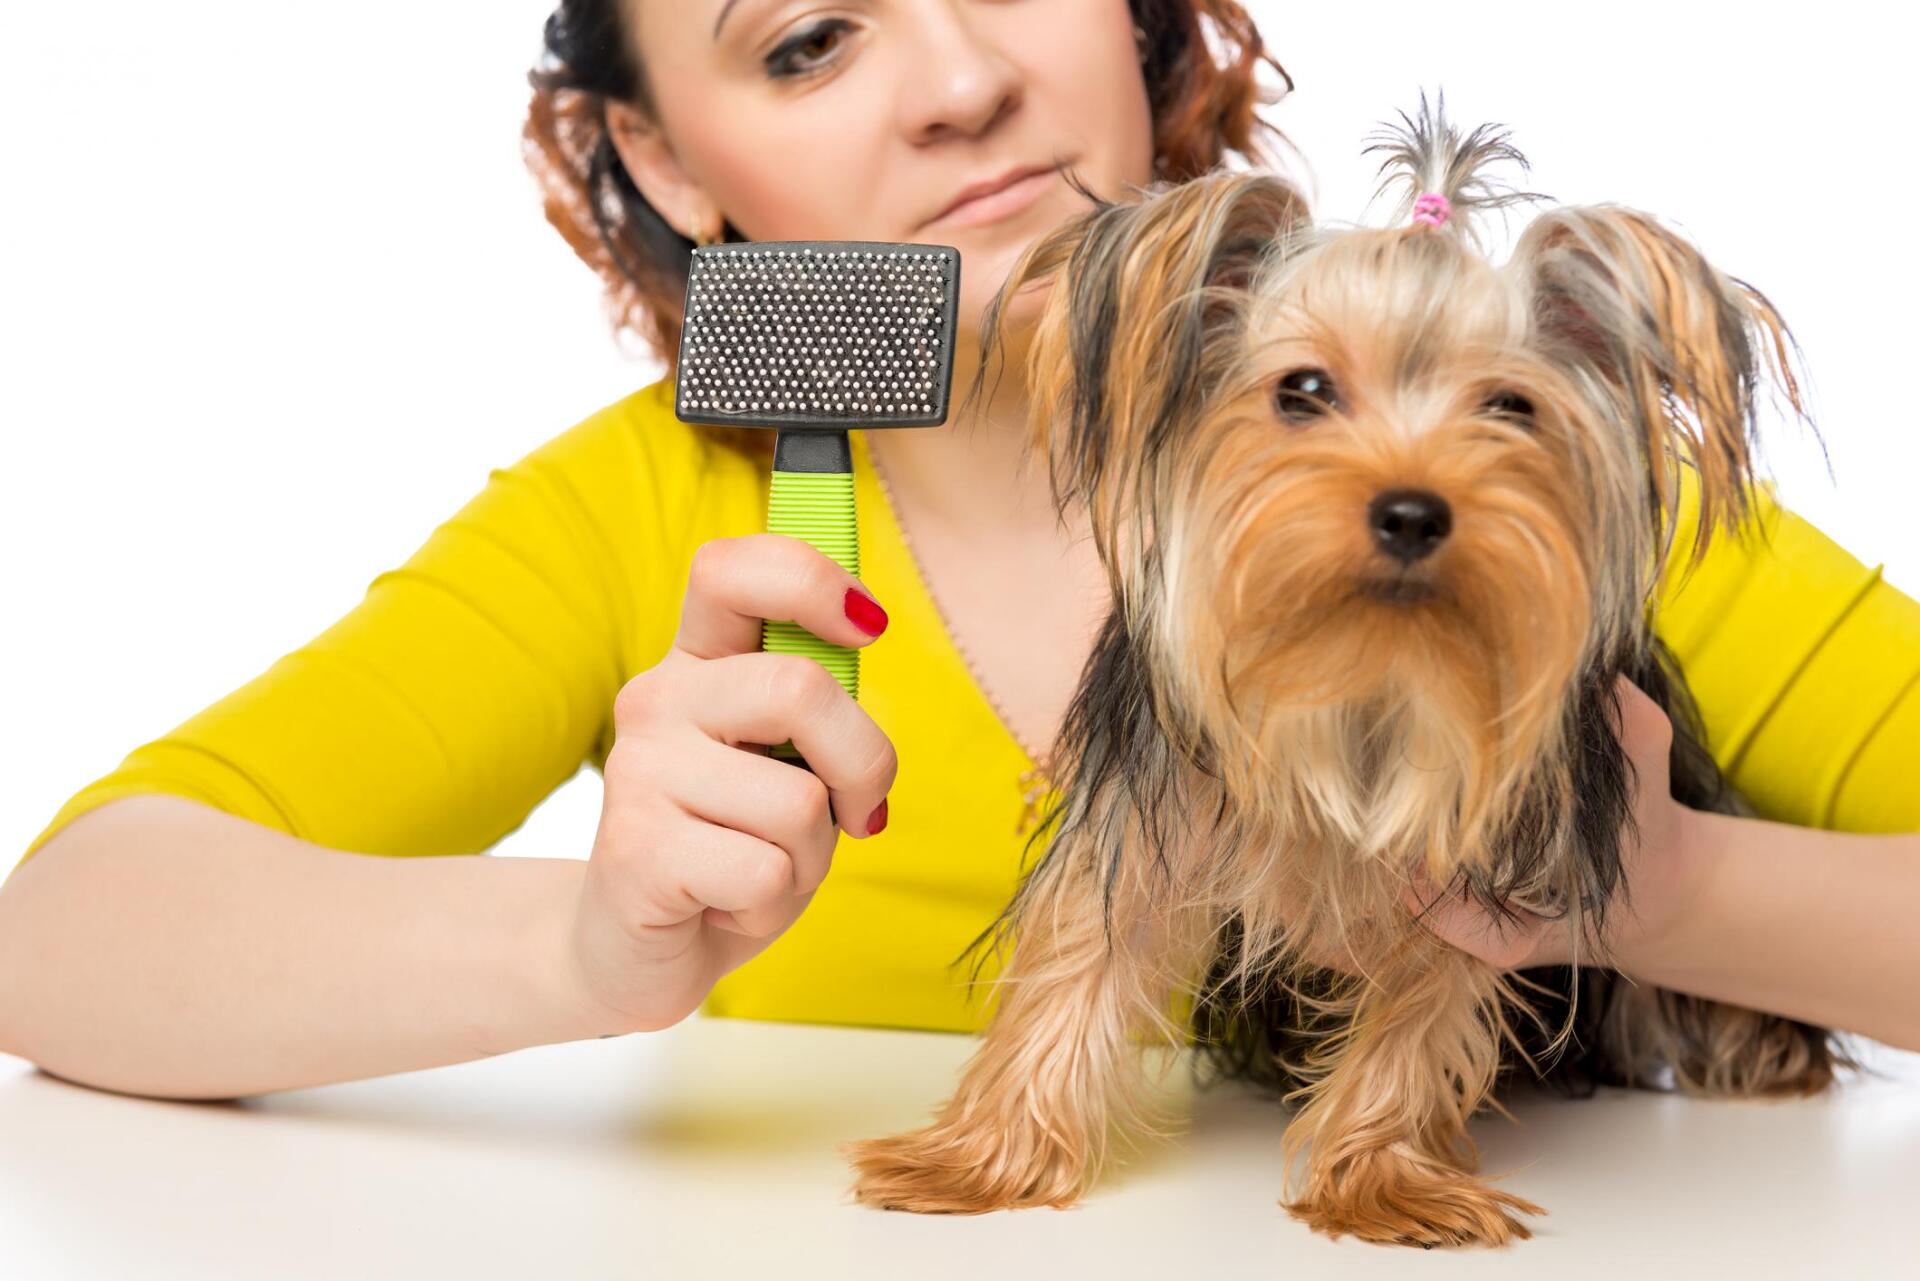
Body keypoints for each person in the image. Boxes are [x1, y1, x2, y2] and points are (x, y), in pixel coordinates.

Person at [1, 0, 1915, 1103]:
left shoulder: (1530, 484)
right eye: (812, 38)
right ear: (671, 167)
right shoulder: (689, 496)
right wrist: (584, 945)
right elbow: (58, 945)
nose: (956, 81)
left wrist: (1663, 889)